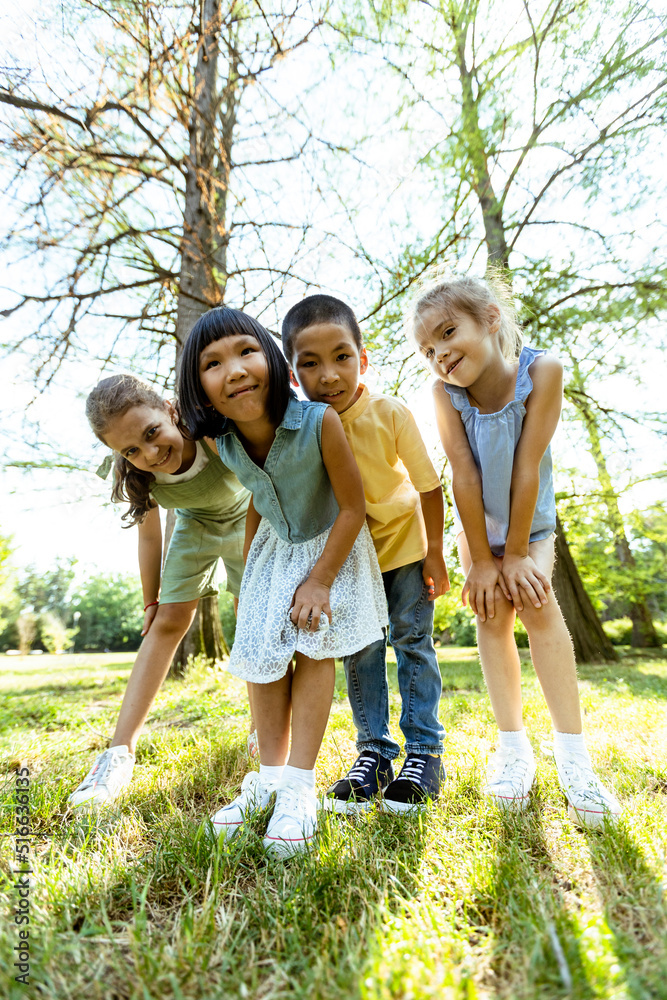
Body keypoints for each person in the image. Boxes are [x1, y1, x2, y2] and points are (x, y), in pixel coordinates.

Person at [406, 270, 621, 828]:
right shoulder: (444, 394)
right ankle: (513, 751)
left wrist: (517, 553)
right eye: (428, 349)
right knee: (491, 614)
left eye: (449, 333)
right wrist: (480, 560)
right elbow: (464, 476)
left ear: (491, 319)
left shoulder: (542, 371)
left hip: (532, 529)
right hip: (479, 529)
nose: (441, 355)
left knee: (536, 603)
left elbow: (528, 466)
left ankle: (574, 759)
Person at [177, 307, 388, 856]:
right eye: (213, 363)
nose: (236, 369)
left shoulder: (319, 420)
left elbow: (351, 507)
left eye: (247, 351)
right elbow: (256, 497)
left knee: (312, 643)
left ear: (273, 359)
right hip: (273, 555)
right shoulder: (222, 443)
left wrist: (319, 582)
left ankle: (298, 786)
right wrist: (250, 574)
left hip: (331, 549)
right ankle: (267, 778)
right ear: (199, 387)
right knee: (260, 650)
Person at [281, 294, 449, 814]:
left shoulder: (389, 412)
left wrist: (437, 554)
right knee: (361, 653)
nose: (329, 375)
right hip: (352, 563)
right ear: (293, 376)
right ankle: (373, 753)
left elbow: (428, 487)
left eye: (341, 357)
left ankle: (424, 752)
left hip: (404, 548)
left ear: (363, 359)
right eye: (310, 363)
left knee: (412, 642)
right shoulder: (302, 427)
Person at [69, 374, 253, 808]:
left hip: (250, 517)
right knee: (169, 622)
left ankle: (261, 735)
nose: (150, 453)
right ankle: (118, 754)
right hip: (196, 527)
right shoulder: (137, 474)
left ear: (170, 410)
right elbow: (150, 538)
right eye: (131, 449)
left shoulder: (208, 432)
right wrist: (151, 600)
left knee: (252, 614)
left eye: (152, 433)